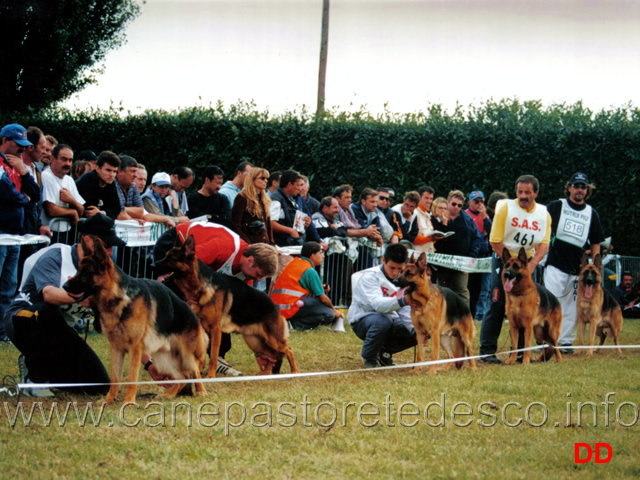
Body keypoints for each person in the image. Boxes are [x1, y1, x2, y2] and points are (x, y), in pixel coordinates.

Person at [3, 215, 124, 396]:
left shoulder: (105, 269)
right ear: (87, 240)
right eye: (105, 245)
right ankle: (33, 376)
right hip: (23, 320)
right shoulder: (56, 256)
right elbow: (49, 294)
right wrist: (80, 298)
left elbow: (123, 317)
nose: (110, 252)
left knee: (100, 387)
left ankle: (52, 373)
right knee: (46, 313)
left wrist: (150, 364)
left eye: (111, 246)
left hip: (62, 332)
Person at [154, 221, 280, 375]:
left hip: (201, 266)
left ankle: (218, 357)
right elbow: (186, 265)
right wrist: (185, 296)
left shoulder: (246, 274)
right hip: (175, 243)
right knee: (180, 306)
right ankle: (169, 354)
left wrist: (260, 350)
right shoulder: (223, 248)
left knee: (222, 311)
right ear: (250, 261)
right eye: (259, 274)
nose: (258, 280)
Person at [479, 175, 552, 364]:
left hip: (526, 262)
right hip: (503, 257)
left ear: (536, 193)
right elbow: (494, 240)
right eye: (520, 192)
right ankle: (487, 351)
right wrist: (509, 263)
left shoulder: (544, 214)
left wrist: (532, 264)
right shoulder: (505, 208)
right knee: (497, 302)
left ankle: (520, 352)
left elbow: (544, 244)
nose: (523, 196)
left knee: (525, 307)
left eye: (527, 192)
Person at [544, 172, 605, 350]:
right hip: (555, 264)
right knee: (552, 301)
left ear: (587, 190)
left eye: (583, 187)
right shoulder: (556, 206)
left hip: (578, 269)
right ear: (569, 187)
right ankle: (547, 340)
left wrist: (593, 267)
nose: (579, 190)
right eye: (576, 186)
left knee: (571, 307)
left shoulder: (591, 213)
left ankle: (565, 342)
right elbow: (541, 225)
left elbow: (595, 242)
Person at [0, 124, 40, 343]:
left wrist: (25, 173)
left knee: (8, 288)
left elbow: (36, 194)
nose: (22, 150)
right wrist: (23, 198)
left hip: (14, 236)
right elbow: (7, 194)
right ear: (5, 140)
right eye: (18, 145)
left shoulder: (17, 165)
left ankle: (2, 332)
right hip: (2, 235)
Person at [348, 243, 417, 368]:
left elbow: (405, 309)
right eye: (392, 268)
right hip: (363, 319)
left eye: (399, 269)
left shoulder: (402, 280)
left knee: (420, 328)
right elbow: (378, 305)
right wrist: (403, 301)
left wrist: (414, 329)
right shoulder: (370, 277)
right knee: (382, 321)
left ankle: (384, 352)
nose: (396, 272)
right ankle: (369, 357)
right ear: (383, 260)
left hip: (390, 319)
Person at [272, 242, 342, 331]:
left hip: (279, 308)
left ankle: (289, 322)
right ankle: (294, 324)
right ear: (312, 255)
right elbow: (323, 298)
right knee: (329, 314)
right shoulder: (309, 270)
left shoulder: (296, 263)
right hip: (289, 307)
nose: (323, 256)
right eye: (320, 253)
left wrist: (320, 287)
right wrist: (334, 310)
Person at [431, 190, 483, 305]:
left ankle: (464, 318)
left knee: (462, 291)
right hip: (443, 260)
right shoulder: (437, 217)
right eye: (453, 204)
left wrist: (471, 256)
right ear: (448, 202)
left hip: (461, 261)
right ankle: (443, 317)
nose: (456, 207)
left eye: (459, 205)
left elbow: (477, 238)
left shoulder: (467, 219)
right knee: (442, 290)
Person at [41, 143, 86, 244]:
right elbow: (51, 210)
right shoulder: (46, 176)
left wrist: (71, 201)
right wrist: (72, 212)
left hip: (66, 233)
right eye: (64, 159)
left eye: (70, 160)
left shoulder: (69, 180)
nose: (68, 164)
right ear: (53, 159)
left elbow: (81, 210)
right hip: (50, 234)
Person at [465, 191, 493, 322]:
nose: (479, 204)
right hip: (472, 254)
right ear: (470, 202)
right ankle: (470, 312)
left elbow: (492, 231)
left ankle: (480, 314)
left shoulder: (485, 216)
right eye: (476, 201)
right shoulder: (466, 214)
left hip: (485, 255)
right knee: (471, 286)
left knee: (485, 287)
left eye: (481, 201)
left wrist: (484, 217)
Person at [75, 150, 125, 220]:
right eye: (108, 170)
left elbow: (116, 209)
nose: (112, 175)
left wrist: (102, 212)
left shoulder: (111, 183)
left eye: (114, 171)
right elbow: (89, 211)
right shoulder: (87, 180)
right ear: (97, 168)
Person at [232, 167, 274, 245]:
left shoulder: (264, 198)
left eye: (266, 178)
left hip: (265, 243)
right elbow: (235, 225)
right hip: (251, 243)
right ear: (253, 179)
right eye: (262, 178)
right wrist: (247, 243)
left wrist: (272, 243)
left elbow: (268, 224)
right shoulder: (242, 197)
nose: (266, 181)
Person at [410, 186, 439, 254]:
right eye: (426, 198)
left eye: (431, 199)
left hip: (429, 255)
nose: (429, 201)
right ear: (419, 198)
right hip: (416, 256)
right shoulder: (414, 213)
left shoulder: (427, 215)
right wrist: (430, 239)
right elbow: (413, 238)